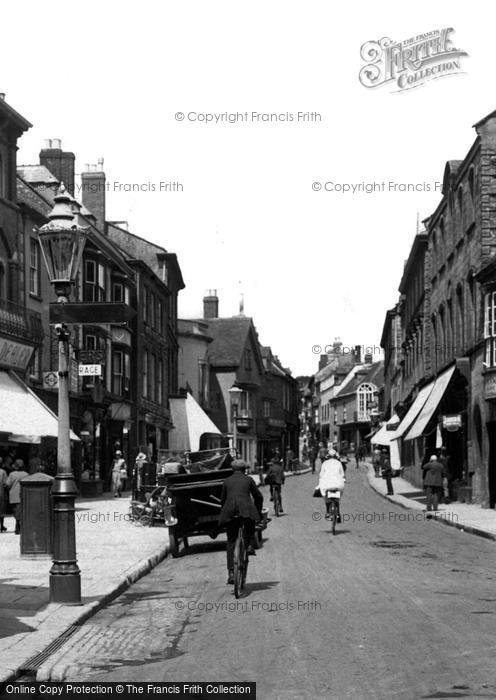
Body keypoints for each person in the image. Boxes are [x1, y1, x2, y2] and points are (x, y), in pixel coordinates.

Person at [218, 460, 264, 585]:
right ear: (244, 470)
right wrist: (258, 512)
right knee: (249, 526)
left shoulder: (226, 481)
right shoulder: (248, 480)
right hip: (246, 510)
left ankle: (231, 573)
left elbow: (223, 500)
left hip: (230, 512)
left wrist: (225, 511)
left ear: (232, 470)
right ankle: (248, 545)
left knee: (231, 541)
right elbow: (258, 497)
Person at [318, 449, 346, 522]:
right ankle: (338, 513)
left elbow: (321, 475)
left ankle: (327, 511)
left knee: (325, 497)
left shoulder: (325, 463)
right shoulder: (338, 463)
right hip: (338, 485)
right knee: (337, 499)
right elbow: (343, 474)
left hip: (327, 484)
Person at [6, 459, 29, 534]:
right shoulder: (26, 474)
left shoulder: (12, 474)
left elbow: (7, 484)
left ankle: (17, 524)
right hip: (23, 495)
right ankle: (20, 525)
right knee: (22, 511)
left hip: (13, 495)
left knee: (15, 511)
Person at [0, 457, 8, 533]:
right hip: (1, 494)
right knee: (1, 511)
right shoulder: (3, 472)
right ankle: (1, 526)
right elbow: (6, 484)